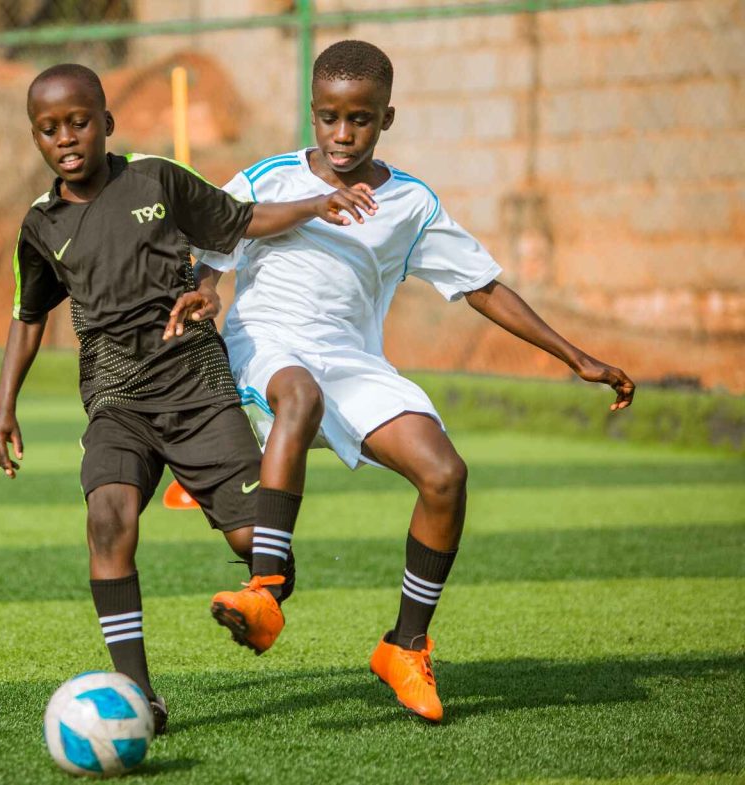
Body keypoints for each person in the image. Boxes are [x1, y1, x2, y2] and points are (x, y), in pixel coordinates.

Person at [181, 41, 635, 724]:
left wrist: (575, 356)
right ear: (312, 112)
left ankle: (405, 646)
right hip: (265, 344)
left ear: (386, 117)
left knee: (445, 473)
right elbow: (211, 255)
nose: (342, 133)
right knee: (298, 393)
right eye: (329, 117)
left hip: (353, 360)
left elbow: (481, 287)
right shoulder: (268, 179)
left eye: (359, 118)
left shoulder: (412, 203)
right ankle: (266, 589)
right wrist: (206, 292)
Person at [0, 63, 377, 735]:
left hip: (195, 383)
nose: (66, 138)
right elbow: (29, 316)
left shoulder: (155, 179)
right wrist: (3, 405)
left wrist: (315, 204)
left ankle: (266, 591)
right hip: (115, 395)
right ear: (35, 139)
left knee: (260, 542)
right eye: (49, 129)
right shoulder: (41, 226)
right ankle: (139, 696)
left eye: (78, 122)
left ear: (105, 123)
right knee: (107, 520)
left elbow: (242, 220)